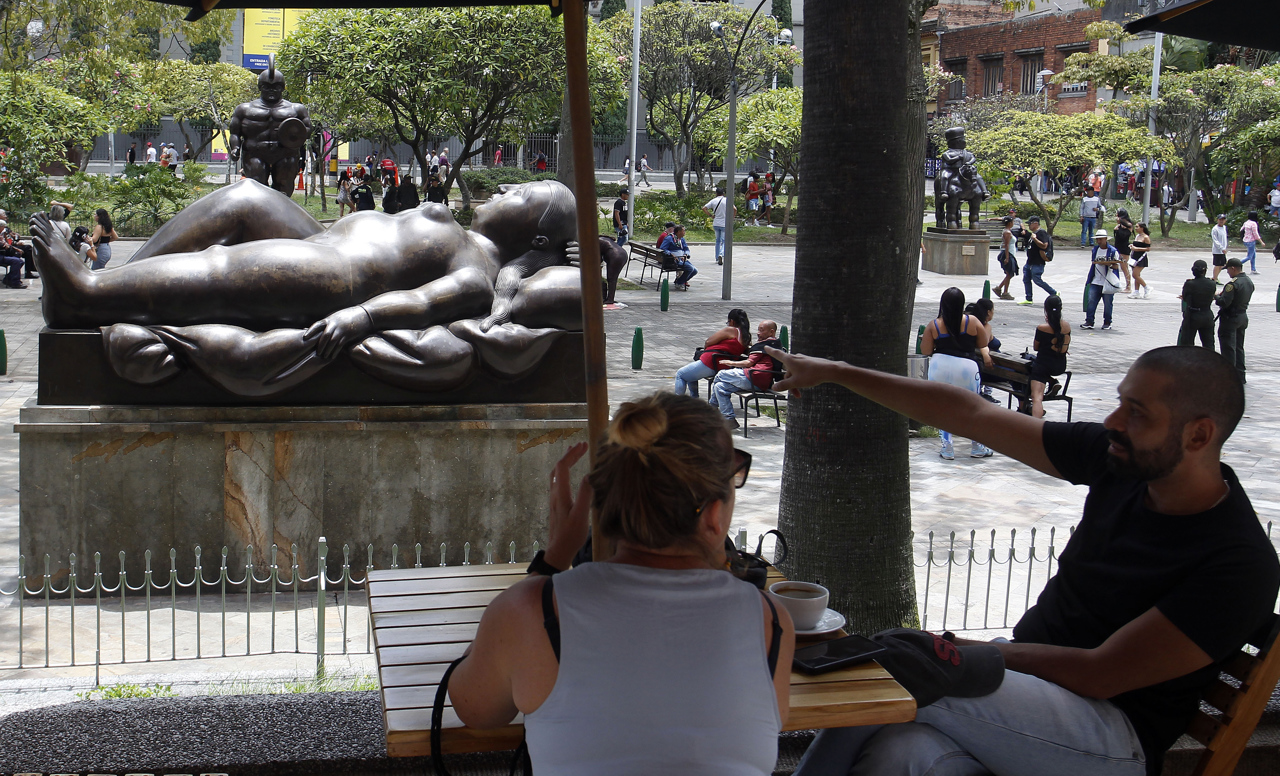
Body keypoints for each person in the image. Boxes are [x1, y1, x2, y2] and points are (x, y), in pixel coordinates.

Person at [781, 341, 1278, 776]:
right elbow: (969, 415)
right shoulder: (1121, 461)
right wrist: (835, 372)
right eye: (1121, 402)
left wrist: (972, 653)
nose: (1113, 421)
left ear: (1198, 435)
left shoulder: (1238, 564)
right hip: (1029, 696)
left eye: (1137, 412)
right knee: (900, 753)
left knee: (906, 665)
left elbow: (1099, 674)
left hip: (1110, 739)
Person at [451, 400, 795, 775]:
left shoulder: (532, 611)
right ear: (714, 516)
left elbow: (476, 710)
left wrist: (550, 563)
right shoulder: (769, 621)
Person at [29, 178, 579, 343]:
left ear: (535, 231)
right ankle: (109, 283)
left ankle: (87, 297)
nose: (507, 189)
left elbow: (425, 300)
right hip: (324, 237)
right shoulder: (459, 231)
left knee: (226, 271)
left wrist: (362, 316)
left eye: (521, 195)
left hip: (338, 276)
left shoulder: (480, 274)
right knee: (242, 198)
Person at [921, 287, 994, 460]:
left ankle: (947, 448)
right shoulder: (973, 321)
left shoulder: (934, 325)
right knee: (972, 408)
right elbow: (984, 341)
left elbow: (925, 350)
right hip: (967, 368)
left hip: (940, 366)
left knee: (943, 408)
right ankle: (977, 446)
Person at [710, 320, 783, 430]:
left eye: (761, 330)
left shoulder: (766, 345)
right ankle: (729, 419)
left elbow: (749, 363)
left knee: (721, 374)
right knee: (719, 387)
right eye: (758, 329)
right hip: (758, 380)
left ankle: (711, 408)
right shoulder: (774, 344)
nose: (758, 333)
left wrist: (731, 363)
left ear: (771, 332)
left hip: (755, 377)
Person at [673, 309, 751, 398]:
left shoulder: (731, 330)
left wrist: (705, 352)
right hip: (725, 366)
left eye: (728, 322)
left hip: (711, 363)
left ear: (732, 321)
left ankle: (677, 404)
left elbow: (708, 342)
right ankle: (694, 400)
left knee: (680, 374)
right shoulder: (746, 337)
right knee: (690, 373)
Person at [1027, 295, 1070, 418]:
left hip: (1043, 365)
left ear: (1046, 309)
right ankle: (1052, 382)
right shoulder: (1067, 326)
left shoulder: (1042, 328)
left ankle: (1035, 425)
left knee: (1037, 397)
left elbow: (1036, 347)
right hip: (1060, 365)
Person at [1215, 258, 1254, 384]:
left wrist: (1216, 296)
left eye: (1228, 270)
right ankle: (1240, 375)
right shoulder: (1248, 281)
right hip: (1242, 316)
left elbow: (1224, 303)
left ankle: (1229, 376)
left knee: (1228, 347)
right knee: (1239, 347)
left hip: (1230, 318)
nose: (1228, 273)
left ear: (1233, 268)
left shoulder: (1232, 284)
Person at [1084, 229, 1122, 330]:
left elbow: (1117, 266)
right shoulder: (1095, 250)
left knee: (1108, 303)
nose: (1099, 241)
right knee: (1091, 301)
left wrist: (1108, 264)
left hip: (1107, 281)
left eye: (1101, 239)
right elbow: (1093, 263)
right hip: (1096, 280)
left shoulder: (1112, 251)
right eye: (1097, 239)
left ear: (1105, 239)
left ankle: (1107, 322)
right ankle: (1089, 321)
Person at [1018, 216, 1057, 305]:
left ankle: (1053, 292)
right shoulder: (1034, 233)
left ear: (1035, 223)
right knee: (1026, 279)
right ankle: (1028, 298)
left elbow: (1044, 245)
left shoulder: (1041, 233)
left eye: (1030, 224)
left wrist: (1035, 239)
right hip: (1030, 261)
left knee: (1037, 279)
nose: (1029, 226)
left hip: (1037, 262)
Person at [1178, 260, 1215, 349]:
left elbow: (1186, 298)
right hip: (1207, 314)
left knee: (1187, 344)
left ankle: (1189, 362)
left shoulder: (1189, 283)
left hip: (1192, 316)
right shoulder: (1212, 283)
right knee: (1209, 344)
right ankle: (1210, 362)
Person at [703, 187, 735, 266]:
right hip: (724, 223)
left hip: (716, 223)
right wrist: (732, 217)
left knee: (717, 240)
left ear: (716, 193)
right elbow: (735, 209)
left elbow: (704, 208)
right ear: (723, 193)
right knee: (724, 240)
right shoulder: (727, 200)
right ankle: (721, 253)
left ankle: (717, 257)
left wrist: (711, 215)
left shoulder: (713, 201)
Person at [659, 224, 697, 291]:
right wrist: (671, 254)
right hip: (673, 261)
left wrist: (685, 254)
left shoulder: (682, 240)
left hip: (682, 259)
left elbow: (686, 249)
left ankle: (680, 281)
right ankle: (679, 283)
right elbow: (663, 249)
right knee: (690, 268)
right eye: (683, 231)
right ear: (678, 232)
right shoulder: (669, 238)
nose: (684, 232)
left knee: (695, 270)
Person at [993, 216, 1019, 300]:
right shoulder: (1007, 232)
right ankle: (1005, 292)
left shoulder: (1008, 231)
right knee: (1009, 273)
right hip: (1007, 253)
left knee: (1010, 273)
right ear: (1010, 223)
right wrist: (1007, 257)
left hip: (1010, 253)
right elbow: (1007, 245)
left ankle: (1000, 288)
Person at [1113, 209, 1134, 293]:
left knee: (1124, 267)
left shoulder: (1128, 224)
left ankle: (1128, 286)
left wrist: (1120, 222)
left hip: (1124, 247)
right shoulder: (1119, 225)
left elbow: (1127, 227)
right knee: (1116, 265)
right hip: (1117, 246)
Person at [1128, 222, 1152, 299]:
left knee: (1135, 274)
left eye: (1137, 227)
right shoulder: (1137, 236)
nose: (1136, 228)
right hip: (1134, 257)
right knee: (1136, 275)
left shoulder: (1146, 237)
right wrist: (1132, 246)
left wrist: (1136, 249)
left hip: (1141, 258)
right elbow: (1136, 245)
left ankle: (1146, 287)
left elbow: (1148, 249)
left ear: (1142, 228)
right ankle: (1136, 291)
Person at [0, 220, 26, 289]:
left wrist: (16, 249)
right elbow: (3, 245)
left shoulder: (2, 235)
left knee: (20, 261)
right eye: (3, 227)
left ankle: (8, 279)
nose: (4, 229)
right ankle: (15, 282)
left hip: (3, 254)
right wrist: (3, 243)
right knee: (16, 261)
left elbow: (8, 245)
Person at [1240, 210, 1264, 275]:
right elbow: (1255, 234)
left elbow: (1241, 229)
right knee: (1249, 256)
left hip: (1245, 240)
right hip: (1251, 241)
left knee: (1253, 255)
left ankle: (1253, 269)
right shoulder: (1254, 224)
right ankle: (1237, 263)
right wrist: (1261, 242)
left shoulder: (1246, 222)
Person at [1210, 213, 1229, 284]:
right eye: (1220, 219)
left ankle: (1216, 277)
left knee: (1222, 265)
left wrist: (1225, 248)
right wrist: (1221, 248)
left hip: (1223, 250)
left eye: (1223, 220)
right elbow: (1215, 240)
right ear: (1217, 220)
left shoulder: (1224, 227)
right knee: (1217, 264)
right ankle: (1214, 278)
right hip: (1217, 250)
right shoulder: (1215, 229)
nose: (1221, 221)